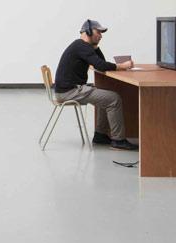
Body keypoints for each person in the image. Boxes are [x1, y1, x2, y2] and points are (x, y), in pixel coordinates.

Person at [52, 19, 138, 150]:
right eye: (98, 32)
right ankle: (118, 140)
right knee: (114, 99)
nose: (101, 36)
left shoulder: (82, 46)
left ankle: (100, 135)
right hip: (69, 92)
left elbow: (100, 62)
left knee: (104, 95)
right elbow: (101, 65)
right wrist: (122, 66)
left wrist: (96, 47)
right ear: (88, 31)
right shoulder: (82, 46)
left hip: (67, 90)